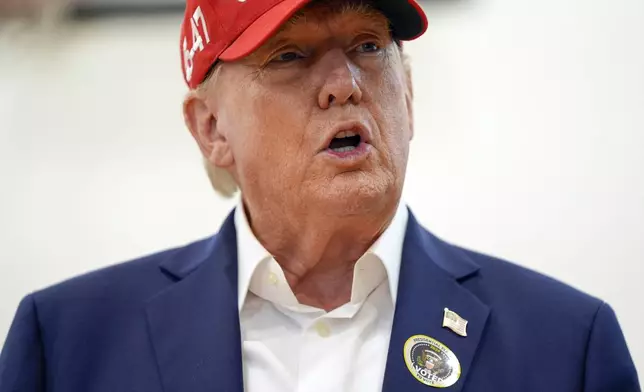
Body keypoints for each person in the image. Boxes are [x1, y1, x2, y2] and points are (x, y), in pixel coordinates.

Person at [0, 0, 640, 391]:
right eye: (289, 55)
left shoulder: (567, 347)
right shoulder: (66, 344)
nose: (343, 84)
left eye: (368, 46)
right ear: (212, 129)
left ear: (408, 98)